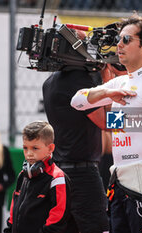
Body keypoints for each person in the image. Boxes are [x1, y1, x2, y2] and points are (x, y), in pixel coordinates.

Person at [71, 13, 142, 233]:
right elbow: (76, 101)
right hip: (120, 179)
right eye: (119, 39)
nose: (119, 45)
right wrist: (106, 92)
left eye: (126, 40)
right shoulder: (122, 82)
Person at [42, 29, 110, 232]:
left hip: (61, 170)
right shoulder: (78, 81)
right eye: (84, 44)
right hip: (82, 174)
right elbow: (107, 122)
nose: (90, 50)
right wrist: (109, 85)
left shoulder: (50, 81)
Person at [4, 121, 71, 233]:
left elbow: (57, 219)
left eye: (35, 148)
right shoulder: (22, 176)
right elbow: (13, 210)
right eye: (25, 148)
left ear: (50, 148)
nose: (29, 153)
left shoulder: (57, 178)